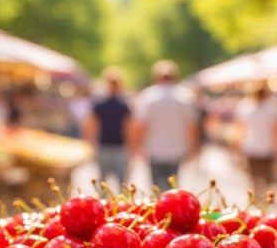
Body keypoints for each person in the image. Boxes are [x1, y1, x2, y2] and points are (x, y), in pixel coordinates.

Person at [131, 60, 199, 190]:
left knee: (155, 188)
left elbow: (139, 125)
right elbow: (192, 126)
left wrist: (137, 146)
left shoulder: (148, 96)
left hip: (154, 149)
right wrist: (193, 148)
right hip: (177, 149)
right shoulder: (185, 96)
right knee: (173, 187)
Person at [234, 82, 277, 198]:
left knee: (254, 179)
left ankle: (256, 199)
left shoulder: (246, 107)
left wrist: (238, 146)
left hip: (252, 147)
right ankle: (263, 200)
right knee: (266, 179)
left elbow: (240, 129)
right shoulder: (273, 107)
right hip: (266, 148)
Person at [84, 68, 132, 190]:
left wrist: (131, 146)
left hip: (119, 146)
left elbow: (128, 127)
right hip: (104, 145)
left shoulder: (123, 105)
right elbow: (92, 124)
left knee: (121, 182)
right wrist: (91, 142)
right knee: (103, 182)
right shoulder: (100, 104)